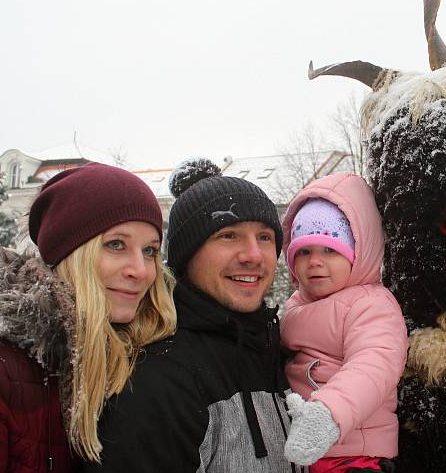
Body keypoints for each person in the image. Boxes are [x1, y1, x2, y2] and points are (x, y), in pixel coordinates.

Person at [0, 162, 177, 472]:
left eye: (151, 251)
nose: (140, 271)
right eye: (116, 244)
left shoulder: (137, 354)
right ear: (69, 254)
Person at [84, 158, 296, 472]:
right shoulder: (159, 379)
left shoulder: (278, 352)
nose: (253, 255)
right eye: (228, 235)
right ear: (187, 255)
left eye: (264, 237)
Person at [279, 173, 408, 472]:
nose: (315, 261)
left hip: (353, 452)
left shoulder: (371, 304)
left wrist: (328, 413)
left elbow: (373, 366)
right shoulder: (295, 305)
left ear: (357, 255)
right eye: (305, 251)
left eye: (330, 250)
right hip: (303, 450)